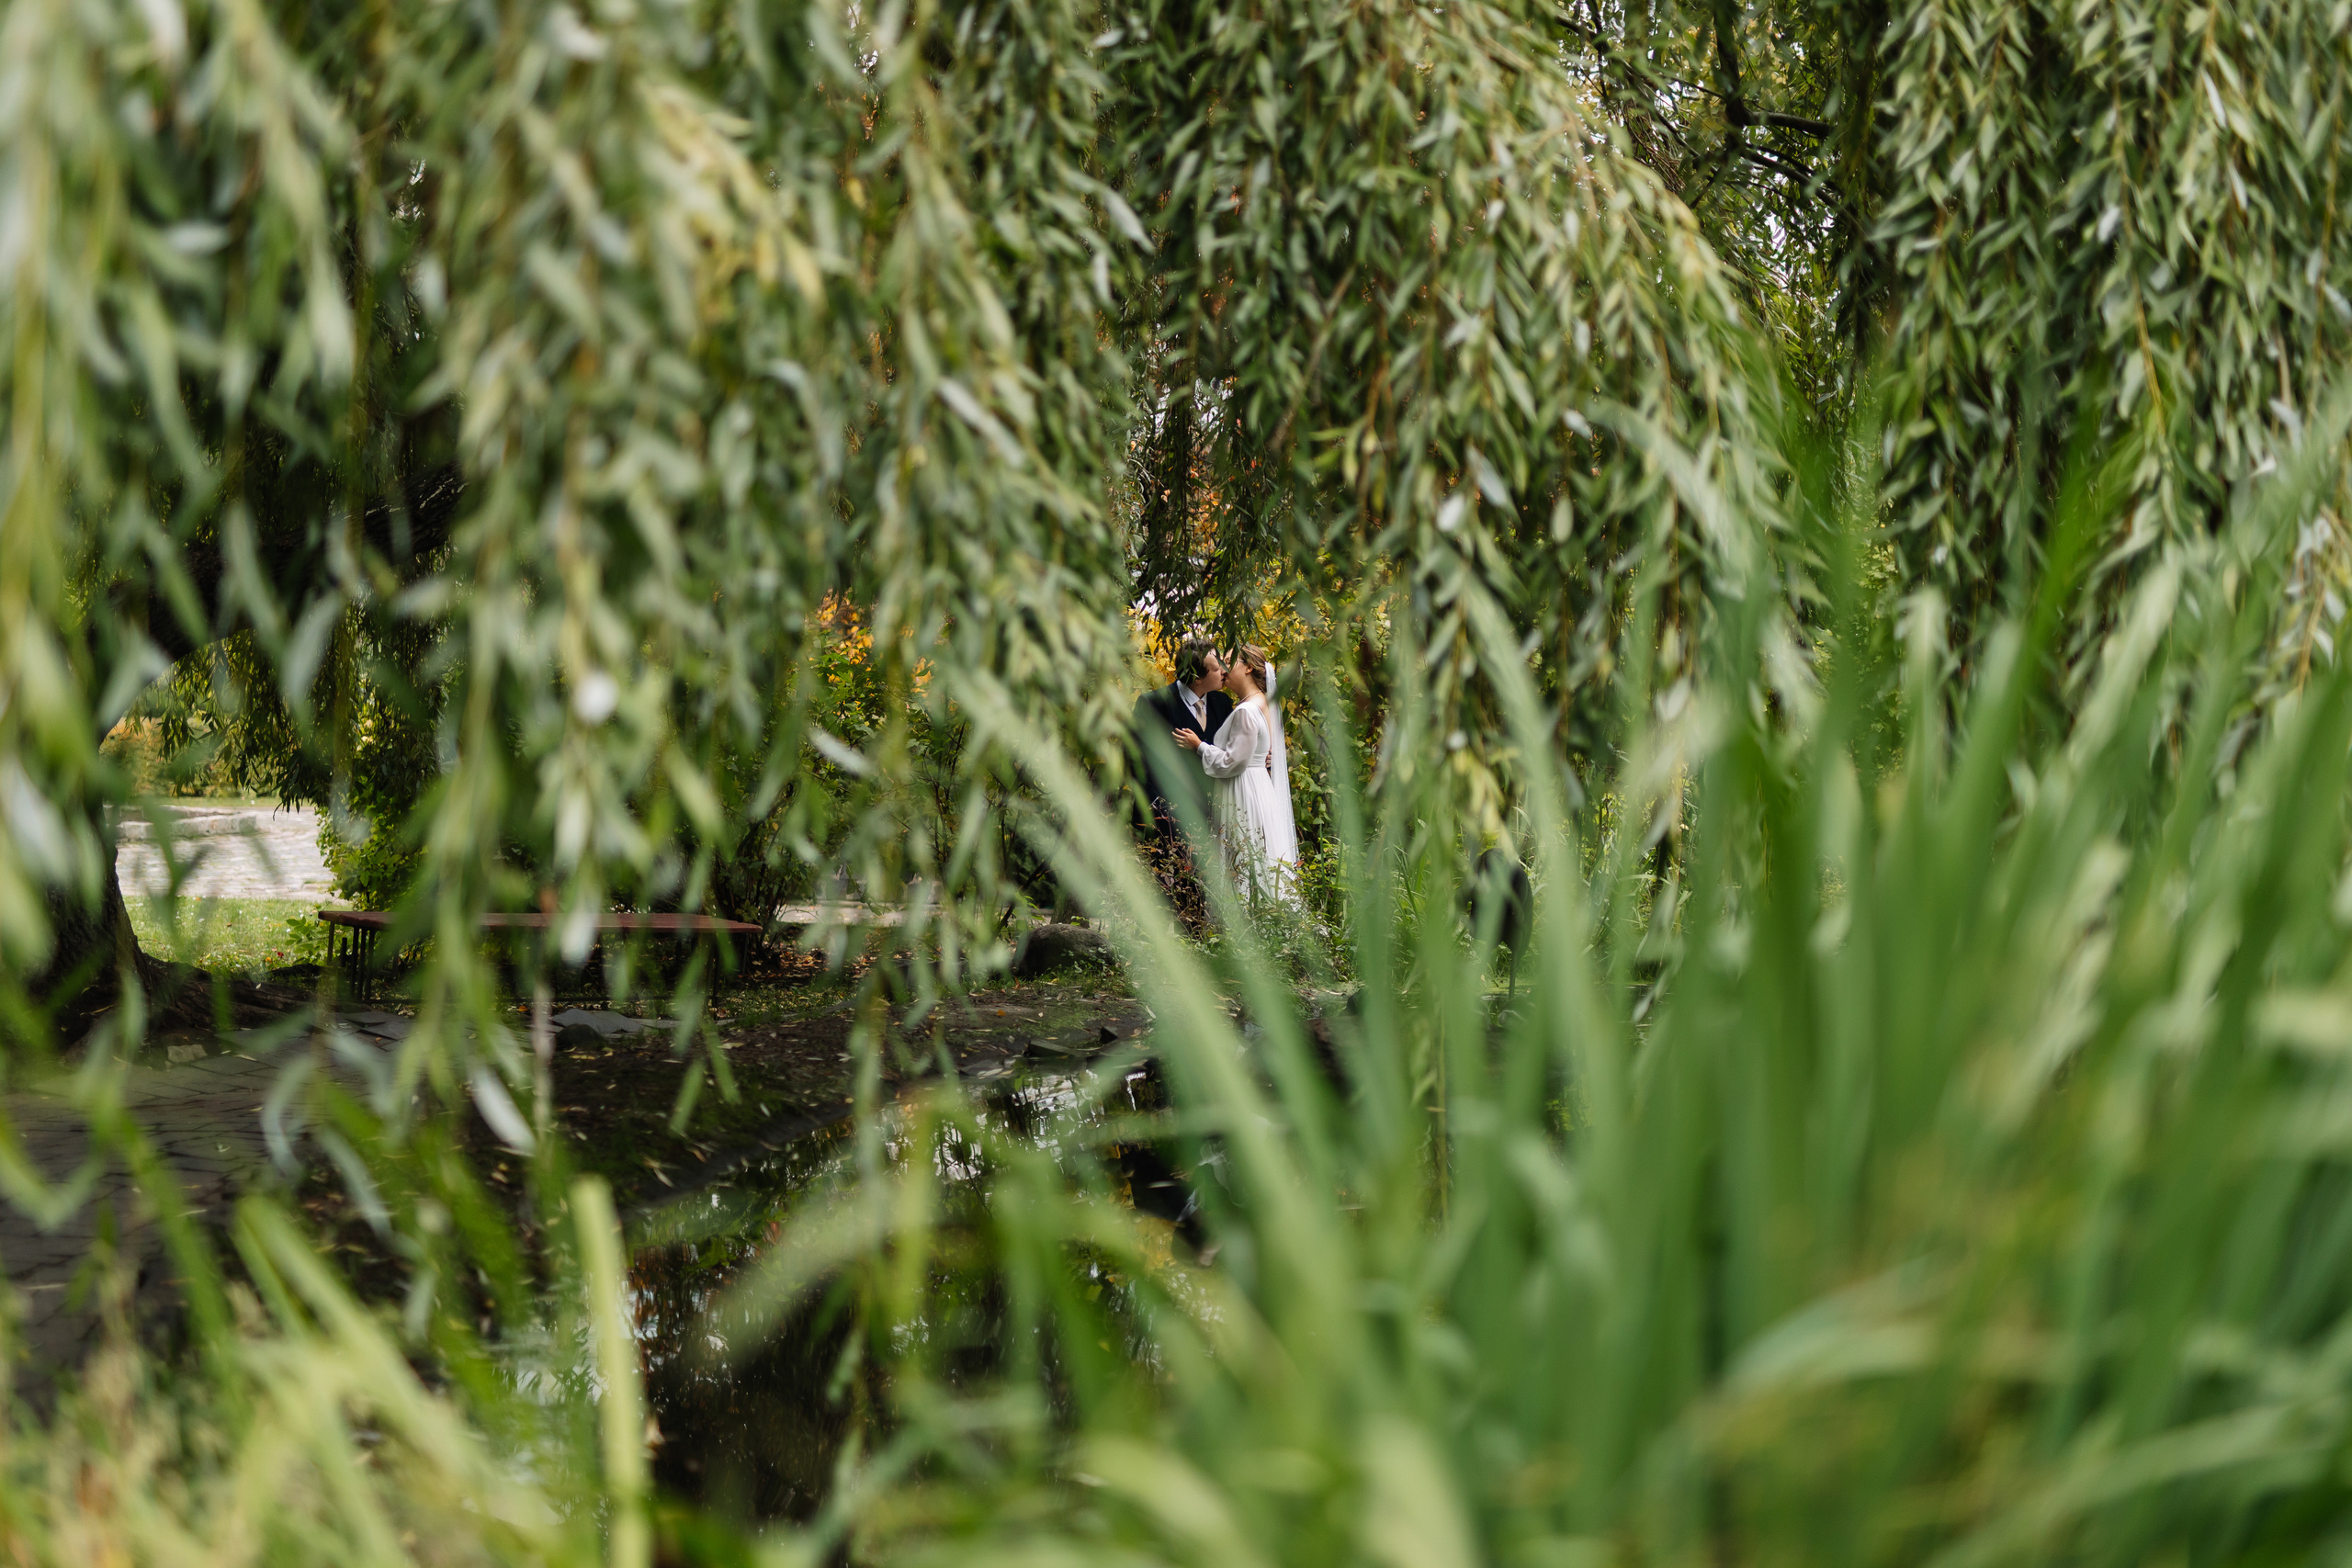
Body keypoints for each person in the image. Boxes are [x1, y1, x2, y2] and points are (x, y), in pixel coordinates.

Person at [1172, 645, 1295, 899]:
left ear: (1248, 667)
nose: (1224, 671)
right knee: (1258, 857)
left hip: (1242, 790)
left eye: (1229, 663)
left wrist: (1199, 747)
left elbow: (1233, 762)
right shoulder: (1260, 701)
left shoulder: (1246, 711)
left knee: (1241, 857)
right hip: (1257, 786)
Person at [1131, 638, 1232, 842]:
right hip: (1163, 825)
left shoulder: (1223, 704)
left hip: (1214, 823)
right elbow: (1134, 759)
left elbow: (1232, 752)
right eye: (1216, 668)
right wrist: (1160, 809)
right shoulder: (1153, 704)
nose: (1224, 671)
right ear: (1197, 678)